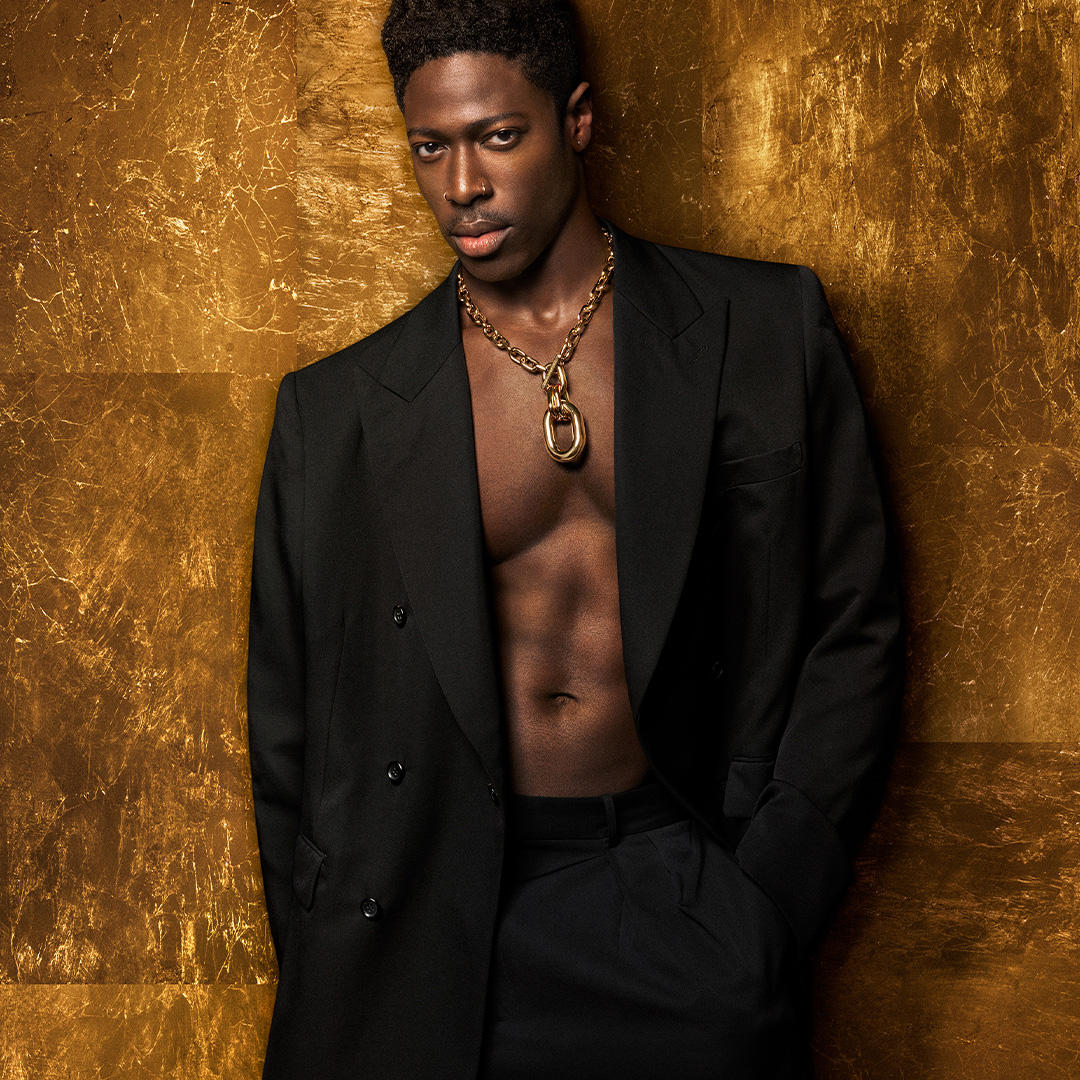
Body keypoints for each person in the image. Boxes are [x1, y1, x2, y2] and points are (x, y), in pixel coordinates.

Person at [246, 1, 904, 1076]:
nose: (462, 184)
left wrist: (767, 904)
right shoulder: (336, 412)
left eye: (499, 136)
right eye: (430, 146)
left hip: (680, 892)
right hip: (430, 924)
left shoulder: (761, 330)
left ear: (578, 120)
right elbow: (288, 723)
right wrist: (333, 944)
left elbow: (854, 622)